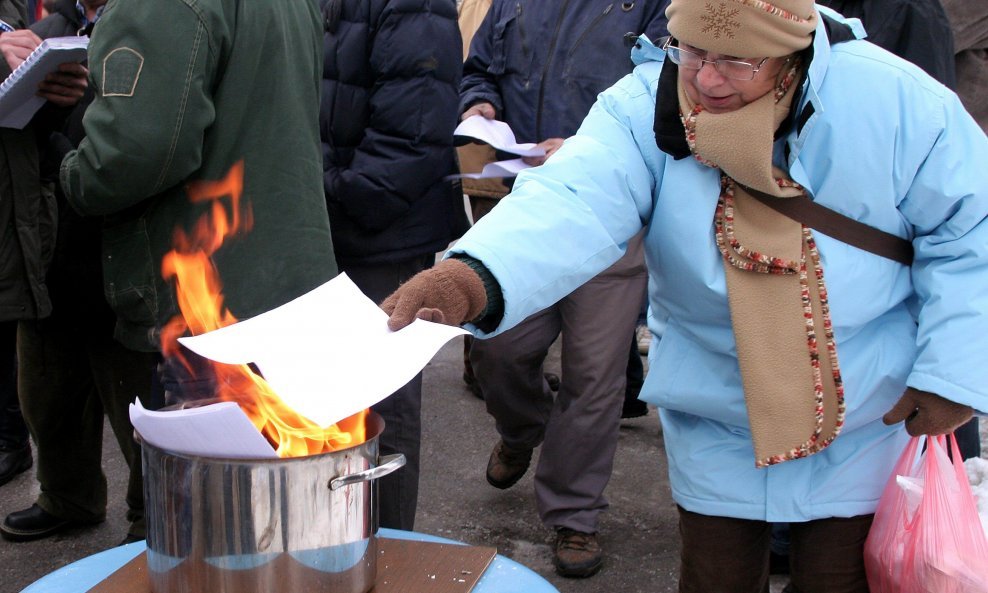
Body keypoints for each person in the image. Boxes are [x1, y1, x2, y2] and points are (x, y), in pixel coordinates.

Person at [381, 1, 988, 590]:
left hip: (862, 407)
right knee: (713, 576)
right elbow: (573, 199)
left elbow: (971, 233)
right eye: (692, 50)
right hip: (717, 405)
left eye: (736, 60)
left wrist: (952, 375)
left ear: (790, 53)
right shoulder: (645, 103)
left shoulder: (899, 103)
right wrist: (469, 278)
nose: (706, 79)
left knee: (840, 577)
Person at [454, 0, 670, 578]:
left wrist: (582, 147)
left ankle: (575, 514)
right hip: (528, 210)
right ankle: (522, 431)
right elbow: (480, 70)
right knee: (498, 349)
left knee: (594, 376)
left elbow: (668, 92)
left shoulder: (657, 8)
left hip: (613, 216)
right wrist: (480, 104)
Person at [57, 0, 338, 402]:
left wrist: (64, 170)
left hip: (207, 305)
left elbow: (132, 153)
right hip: (285, 291)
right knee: (271, 458)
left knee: (202, 461)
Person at [0, 0, 161, 545]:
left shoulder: (152, 24)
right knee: (46, 393)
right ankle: (67, 496)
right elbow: (24, 134)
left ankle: (151, 520)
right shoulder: (45, 35)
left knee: (140, 404)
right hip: (51, 248)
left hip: (126, 247)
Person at [318, 0, 467, 531]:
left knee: (381, 409)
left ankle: (386, 552)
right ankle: (321, 548)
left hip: (378, 231)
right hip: (321, 218)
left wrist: (324, 192)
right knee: (312, 395)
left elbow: (412, 137)